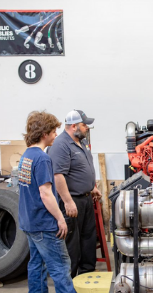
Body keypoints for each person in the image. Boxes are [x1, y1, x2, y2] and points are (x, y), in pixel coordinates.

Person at [18, 111, 96, 293]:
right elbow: (45, 193)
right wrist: (60, 218)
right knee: (61, 267)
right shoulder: (42, 159)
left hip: (29, 221)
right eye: (53, 131)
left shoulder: (26, 156)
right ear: (44, 133)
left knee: (36, 266)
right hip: (44, 224)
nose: (55, 134)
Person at [48, 109, 102, 278]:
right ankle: (70, 281)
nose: (87, 128)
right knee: (72, 243)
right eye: (85, 125)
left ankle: (87, 274)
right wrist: (68, 201)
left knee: (88, 238)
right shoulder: (61, 145)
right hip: (72, 201)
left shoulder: (81, 142)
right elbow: (58, 176)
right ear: (73, 126)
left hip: (86, 198)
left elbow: (80, 169)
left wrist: (91, 187)